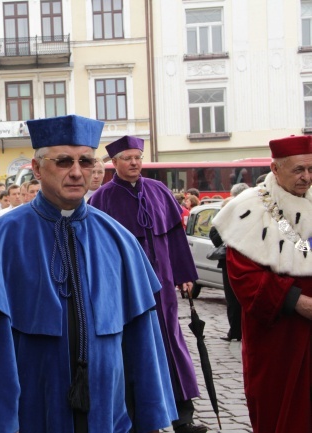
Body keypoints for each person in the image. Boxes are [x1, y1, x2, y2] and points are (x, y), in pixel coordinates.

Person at [0, 115, 176, 433]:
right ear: (37, 168)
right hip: (32, 415)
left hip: (107, 416)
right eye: (63, 161)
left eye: (85, 161)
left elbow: (143, 344)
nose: (77, 172)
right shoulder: (2, 239)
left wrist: (147, 418)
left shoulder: (118, 239)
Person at [88, 135, 206, 433]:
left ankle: (183, 415)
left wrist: (185, 277)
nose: (134, 162)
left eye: (138, 157)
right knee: (136, 348)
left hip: (164, 286)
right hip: (128, 289)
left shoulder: (159, 191)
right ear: (114, 163)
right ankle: (140, 416)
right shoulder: (101, 199)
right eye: (127, 158)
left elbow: (176, 237)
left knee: (172, 343)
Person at [212, 135, 312, 432]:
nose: (306, 177)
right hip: (278, 336)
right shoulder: (251, 208)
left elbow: (299, 247)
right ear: (275, 168)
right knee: (280, 411)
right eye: (298, 170)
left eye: (310, 169)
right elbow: (244, 277)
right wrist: (298, 302)